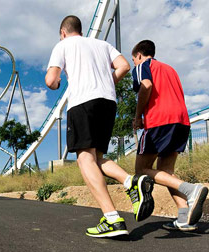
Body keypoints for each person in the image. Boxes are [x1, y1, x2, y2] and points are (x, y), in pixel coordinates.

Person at [45, 15, 154, 238]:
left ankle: (112, 218)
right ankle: (130, 182)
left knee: (84, 158)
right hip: (108, 102)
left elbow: (51, 80)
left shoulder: (63, 45)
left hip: (83, 102)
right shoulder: (103, 44)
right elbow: (123, 66)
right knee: (96, 158)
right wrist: (106, 82)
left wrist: (56, 83)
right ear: (80, 30)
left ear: (63, 32)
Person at [131, 40, 208, 231]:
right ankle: (184, 217)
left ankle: (192, 189)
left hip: (159, 121)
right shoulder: (170, 69)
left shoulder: (143, 66)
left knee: (141, 170)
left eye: (133, 60)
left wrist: (138, 116)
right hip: (181, 121)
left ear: (139, 55)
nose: (134, 63)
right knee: (166, 172)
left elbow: (146, 86)